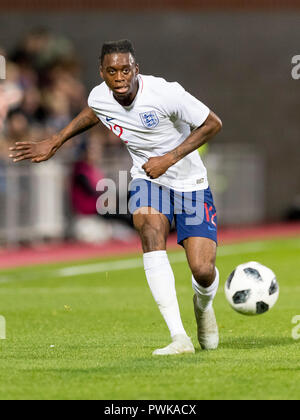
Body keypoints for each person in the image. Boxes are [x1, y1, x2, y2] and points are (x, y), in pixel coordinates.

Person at [9, 39, 222, 356]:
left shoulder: (166, 93)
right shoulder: (100, 95)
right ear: (102, 72)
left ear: (137, 69)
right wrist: (55, 141)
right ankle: (179, 337)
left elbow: (212, 123)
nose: (119, 77)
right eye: (112, 71)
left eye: (125, 70)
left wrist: (169, 158)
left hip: (190, 183)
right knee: (149, 229)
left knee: (202, 270)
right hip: (148, 179)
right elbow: (93, 112)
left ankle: (203, 306)